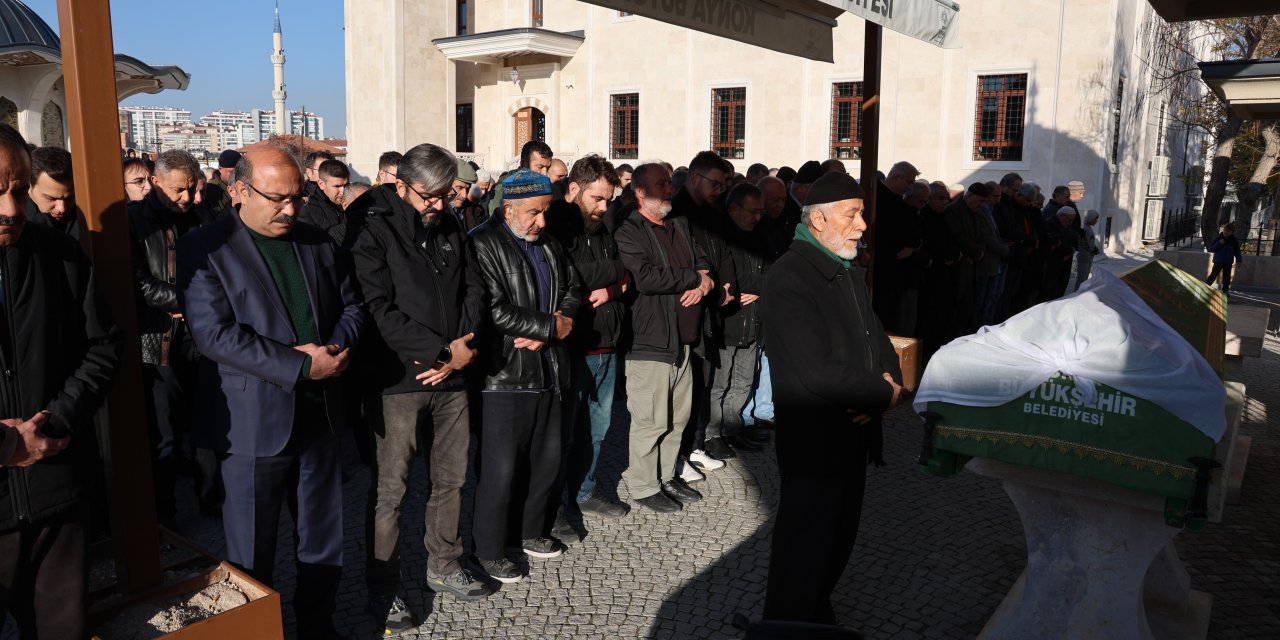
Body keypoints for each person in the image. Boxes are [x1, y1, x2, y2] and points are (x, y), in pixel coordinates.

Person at [178, 146, 365, 639]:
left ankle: (318, 627)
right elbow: (213, 335)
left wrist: (334, 348)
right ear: (239, 190)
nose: (290, 209)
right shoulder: (204, 246)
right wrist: (300, 365)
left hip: (320, 417)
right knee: (250, 552)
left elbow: (352, 305)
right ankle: (256, 632)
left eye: (298, 198)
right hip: (252, 423)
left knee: (322, 539)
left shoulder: (317, 241)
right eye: (277, 199)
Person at [351, 144, 489, 631]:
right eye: (429, 196)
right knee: (392, 491)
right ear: (401, 185)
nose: (439, 205)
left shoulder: (449, 224)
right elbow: (376, 309)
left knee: (451, 479)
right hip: (398, 380)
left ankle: (444, 564)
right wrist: (437, 352)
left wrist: (460, 348)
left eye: (445, 195)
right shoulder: (371, 229)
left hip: (455, 373)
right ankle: (383, 586)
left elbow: (474, 288)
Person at [758, 170, 904, 626]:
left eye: (861, 214)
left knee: (837, 538)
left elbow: (877, 339)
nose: (862, 225)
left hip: (852, 431)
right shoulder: (789, 276)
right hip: (814, 438)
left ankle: (817, 613)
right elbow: (815, 368)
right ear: (818, 220)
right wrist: (883, 393)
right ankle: (787, 626)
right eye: (852, 214)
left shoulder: (844, 269)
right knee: (804, 544)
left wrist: (889, 383)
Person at [0, 123, 122, 640]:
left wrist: (55, 420)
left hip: (57, 492)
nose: (10, 209)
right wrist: (7, 445)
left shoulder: (62, 255)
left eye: (17, 189)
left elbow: (102, 347)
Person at [469, 169, 581, 584]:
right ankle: (489, 549)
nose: (542, 221)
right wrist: (549, 327)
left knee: (545, 460)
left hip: (549, 369)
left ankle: (531, 530)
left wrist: (560, 321)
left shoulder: (548, 243)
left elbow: (573, 288)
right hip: (504, 375)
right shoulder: (482, 242)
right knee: (500, 469)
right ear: (509, 209)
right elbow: (493, 310)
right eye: (534, 212)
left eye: (545, 211)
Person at [615, 163, 713, 513]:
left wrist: (703, 281)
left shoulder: (679, 224)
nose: (670, 189)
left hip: (685, 339)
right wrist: (693, 279)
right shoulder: (629, 230)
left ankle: (667, 475)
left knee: (678, 417)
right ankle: (644, 485)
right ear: (640, 192)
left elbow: (703, 260)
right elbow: (646, 277)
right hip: (650, 341)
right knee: (650, 420)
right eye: (662, 184)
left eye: (670, 183)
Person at [128, 149, 220, 525]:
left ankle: (211, 500)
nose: (187, 197)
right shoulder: (133, 220)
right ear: (156, 183)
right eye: (178, 189)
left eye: (191, 188)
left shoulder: (202, 217)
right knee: (164, 434)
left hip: (201, 337)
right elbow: (136, 280)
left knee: (207, 425)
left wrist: (196, 302)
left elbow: (219, 270)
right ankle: (164, 515)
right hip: (157, 339)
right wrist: (183, 299)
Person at [543, 155, 631, 535]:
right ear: (574, 188)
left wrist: (612, 287)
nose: (604, 207)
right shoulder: (557, 224)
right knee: (564, 434)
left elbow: (625, 273)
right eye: (598, 198)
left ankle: (585, 490)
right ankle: (555, 505)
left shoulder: (603, 224)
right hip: (574, 347)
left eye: (609, 199)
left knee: (598, 427)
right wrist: (614, 273)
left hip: (607, 341)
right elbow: (571, 276)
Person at [706, 183, 769, 459]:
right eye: (752, 211)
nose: (757, 217)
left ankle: (732, 428)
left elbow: (774, 272)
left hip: (752, 321)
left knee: (743, 381)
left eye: (760, 211)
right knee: (719, 383)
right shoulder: (720, 236)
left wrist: (760, 288)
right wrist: (757, 285)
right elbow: (730, 279)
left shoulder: (760, 236)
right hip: (728, 322)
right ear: (733, 208)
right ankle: (712, 434)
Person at [26, 146, 81, 239]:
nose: (62, 208)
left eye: (69, 198)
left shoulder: (87, 220)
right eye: (51, 198)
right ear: (28, 187)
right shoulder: (15, 228)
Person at [298, 159, 349, 231]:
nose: (343, 191)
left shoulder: (352, 204)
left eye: (346, 185)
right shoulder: (307, 211)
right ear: (321, 184)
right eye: (337, 186)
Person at [1206, 222, 1244, 299]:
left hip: (1228, 262)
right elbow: (1212, 248)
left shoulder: (1233, 241)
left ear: (1232, 232)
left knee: (1226, 277)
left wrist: (1239, 261)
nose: (1226, 232)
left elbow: (1237, 251)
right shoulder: (1219, 238)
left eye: (1228, 231)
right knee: (1213, 275)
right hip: (1218, 261)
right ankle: (1206, 287)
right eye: (1225, 230)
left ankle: (1225, 291)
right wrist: (1219, 243)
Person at [204, 149, 239, 216]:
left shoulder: (245, 185)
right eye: (231, 172)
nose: (236, 175)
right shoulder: (211, 189)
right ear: (220, 169)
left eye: (239, 171)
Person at [1074, 210, 1102, 291]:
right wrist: (1092, 250)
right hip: (1084, 256)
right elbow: (1084, 242)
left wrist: (1095, 248)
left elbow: (1090, 241)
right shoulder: (1084, 228)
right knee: (1081, 278)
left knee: (1085, 278)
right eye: (1095, 219)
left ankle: (1081, 293)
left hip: (1088, 256)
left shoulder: (1088, 228)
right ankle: (1076, 293)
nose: (1096, 221)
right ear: (1090, 218)